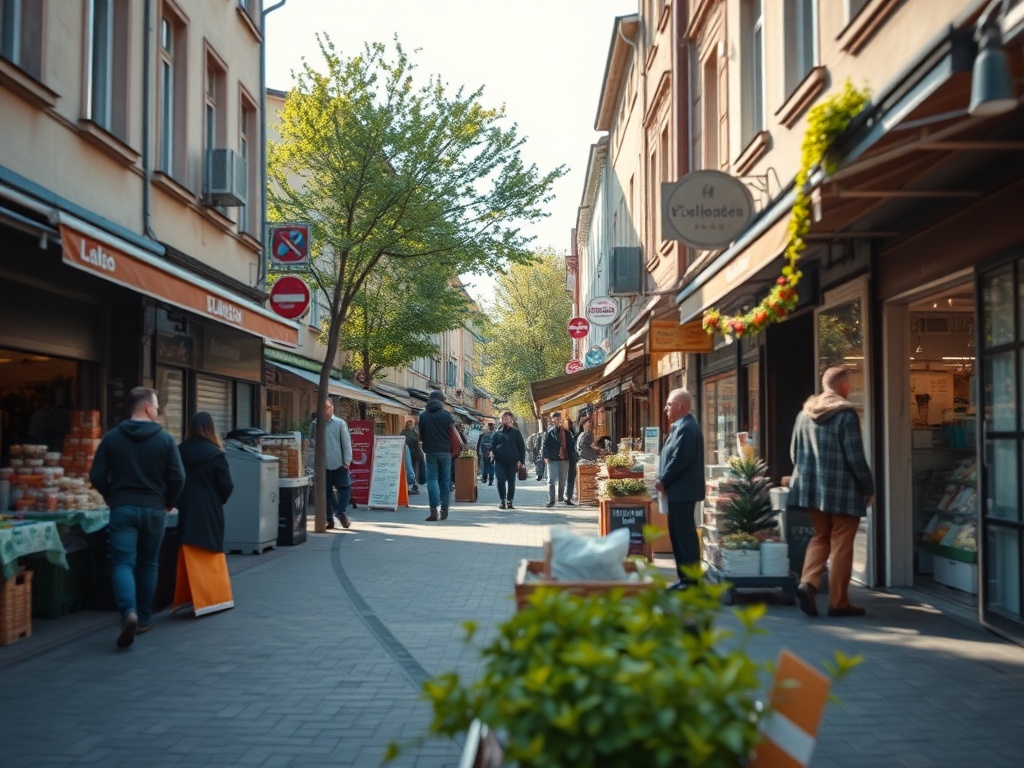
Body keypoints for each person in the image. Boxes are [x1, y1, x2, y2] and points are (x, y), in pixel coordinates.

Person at [89, 386, 185, 649]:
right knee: (148, 564)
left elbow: (96, 475)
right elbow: (178, 477)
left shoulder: (112, 438)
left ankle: (127, 613)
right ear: (146, 407)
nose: (157, 412)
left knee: (122, 563)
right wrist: (168, 503)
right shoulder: (164, 440)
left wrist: (112, 496)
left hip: (122, 509)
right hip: (154, 510)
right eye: (156, 407)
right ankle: (142, 619)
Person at [789, 366, 875, 618]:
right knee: (841, 545)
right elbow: (855, 457)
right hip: (842, 491)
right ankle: (839, 602)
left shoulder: (803, 414)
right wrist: (868, 487)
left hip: (811, 490)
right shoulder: (845, 414)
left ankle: (809, 582)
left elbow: (794, 453)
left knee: (820, 537)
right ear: (845, 387)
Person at [172, 412, 235, 618]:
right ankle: (212, 596)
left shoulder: (179, 451)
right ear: (210, 428)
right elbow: (226, 484)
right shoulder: (216, 454)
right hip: (209, 510)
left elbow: (173, 479)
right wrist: (218, 500)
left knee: (189, 546)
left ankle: (188, 597)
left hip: (186, 509)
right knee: (211, 547)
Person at [655, 389, 705, 590]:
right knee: (678, 535)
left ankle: (690, 581)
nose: (665, 408)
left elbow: (679, 459)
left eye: (668, 404)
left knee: (684, 536)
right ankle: (684, 578)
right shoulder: (680, 426)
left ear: (680, 406)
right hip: (678, 492)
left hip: (682, 492)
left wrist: (663, 479)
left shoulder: (687, 427)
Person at [418, 389, 456, 521]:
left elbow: (421, 435)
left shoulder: (423, 415)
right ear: (442, 401)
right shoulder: (446, 415)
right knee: (445, 481)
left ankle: (434, 510)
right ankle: (444, 510)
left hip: (430, 451)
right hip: (445, 452)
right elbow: (453, 435)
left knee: (432, 480)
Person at [322, 398, 352, 530]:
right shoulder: (317, 424)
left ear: (332, 407)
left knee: (344, 488)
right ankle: (331, 519)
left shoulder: (340, 423)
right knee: (326, 493)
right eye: (322, 408)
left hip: (339, 463)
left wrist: (347, 461)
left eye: (327, 407)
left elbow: (346, 443)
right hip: (323, 464)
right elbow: (313, 442)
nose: (324, 410)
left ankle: (340, 512)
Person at [490, 411, 526, 510]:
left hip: (512, 461)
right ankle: (502, 501)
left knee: (511, 481)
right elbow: (492, 445)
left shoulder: (516, 432)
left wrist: (522, 461)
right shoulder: (497, 433)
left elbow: (521, 447)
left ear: (511, 418)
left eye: (506, 416)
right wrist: (491, 452)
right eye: (503, 417)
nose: (504, 418)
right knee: (500, 480)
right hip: (499, 461)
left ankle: (510, 501)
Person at [542, 411, 577, 507]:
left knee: (563, 479)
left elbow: (572, 444)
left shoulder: (567, 432)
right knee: (551, 479)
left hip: (565, 458)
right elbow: (544, 445)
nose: (559, 421)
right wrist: (545, 457)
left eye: (560, 419)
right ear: (553, 420)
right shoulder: (550, 432)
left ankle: (563, 498)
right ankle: (552, 499)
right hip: (553, 458)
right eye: (557, 419)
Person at [401, 418, 423, 495]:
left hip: (412, 453)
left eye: (411, 424)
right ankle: (411, 483)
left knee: (411, 468)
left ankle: (412, 484)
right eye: (409, 424)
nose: (410, 426)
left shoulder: (409, 432)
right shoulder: (408, 433)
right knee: (411, 468)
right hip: (410, 453)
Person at [563, 416, 579, 506]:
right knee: (569, 478)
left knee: (569, 478)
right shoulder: (566, 434)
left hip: (568, 459)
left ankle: (568, 496)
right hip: (568, 459)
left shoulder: (569, 433)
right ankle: (567, 497)